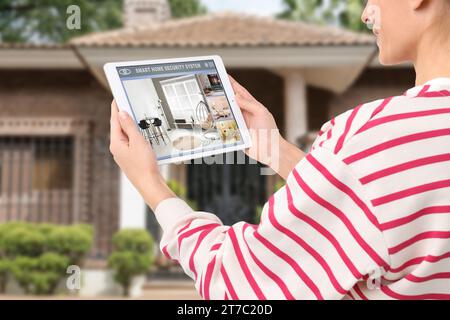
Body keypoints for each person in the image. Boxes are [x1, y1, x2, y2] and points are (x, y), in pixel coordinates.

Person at [109, 0, 450, 299]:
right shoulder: (379, 150)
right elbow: (373, 202)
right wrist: (277, 151)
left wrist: (150, 184)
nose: (364, 14)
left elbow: (237, 284)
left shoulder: (368, 138)